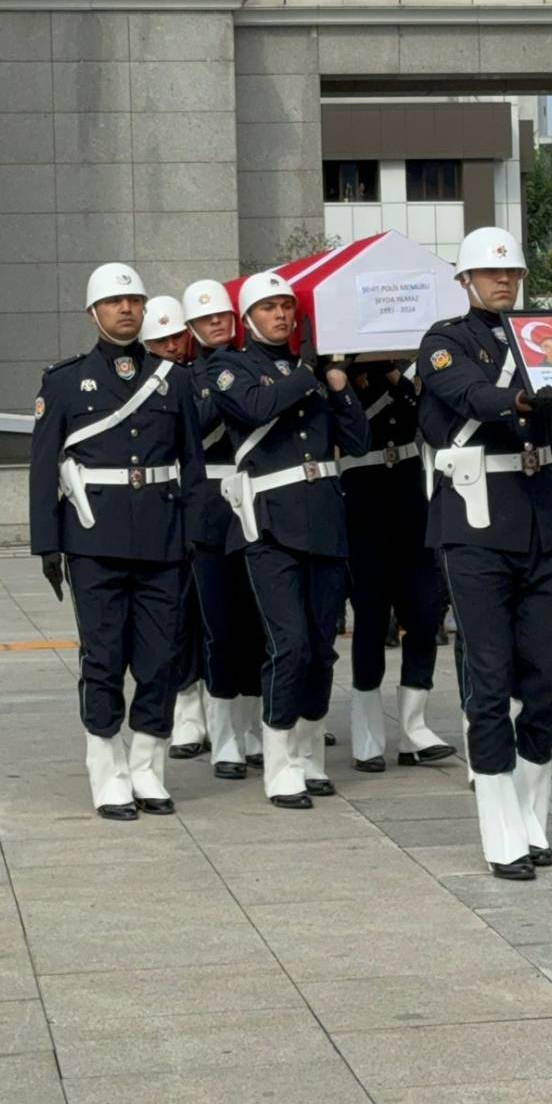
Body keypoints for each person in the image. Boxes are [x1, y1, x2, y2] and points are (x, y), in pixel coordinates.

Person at [417, 227, 552, 879]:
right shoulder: (443, 339)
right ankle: (501, 827)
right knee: (489, 680)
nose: (504, 282)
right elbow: (469, 395)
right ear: (466, 280)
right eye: (492, 274)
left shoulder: (545, 332)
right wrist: (523, 394)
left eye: (512, 273)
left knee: (548, 676)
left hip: (543, 513)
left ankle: (530, 810)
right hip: (477, 517)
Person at [29, 263, 207, 821]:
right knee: (103, 660)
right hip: (93, 541)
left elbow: (193, 468)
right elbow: (42, 468)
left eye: (133, 300)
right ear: (93, 313)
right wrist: (48, 544)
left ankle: (149, 770)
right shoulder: (63, 382)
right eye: (113, 303)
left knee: (159, 662)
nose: (125, 309)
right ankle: (107, 774)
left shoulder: (172, 379)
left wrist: (194, 536)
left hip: (162, 540)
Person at [210, 270, 370, 808]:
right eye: (269, 308)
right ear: (249, 318)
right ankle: (279, 763)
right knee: (290, 645)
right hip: (271, 524)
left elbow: (356, 439)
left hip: (325, 518)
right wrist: (310, 370)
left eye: (287, 307)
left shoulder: (316, 372)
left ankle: (309, 755)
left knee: (322, 650)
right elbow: (256, 408)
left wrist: (342, 387)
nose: (281, 315)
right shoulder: (230, 367)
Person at [341, 358, 454, 769]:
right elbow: (348, 432)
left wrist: (392, 372)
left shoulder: (402, 377)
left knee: (424, 616)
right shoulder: (336, 377)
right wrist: (345, 376)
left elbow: (423, 414)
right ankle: (367, 738)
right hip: (362, 503)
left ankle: (414, 730)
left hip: (408, 502)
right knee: (370, 622)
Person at [182, 277, 265, 778]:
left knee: (258, 623)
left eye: (224, 316)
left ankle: (253, 728)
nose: (218, 323)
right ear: (192, 327)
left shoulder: (253, 369)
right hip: (210, 505)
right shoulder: (183, 380)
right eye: (207, 318)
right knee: (219, 626)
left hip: (256, 495)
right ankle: (225, 737)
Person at [138, 297, 209, 762]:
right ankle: (188, 707)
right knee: (178, 617)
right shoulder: (142, 385)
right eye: (159, 341)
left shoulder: (207, 372)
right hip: (165, 511)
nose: (171, 347)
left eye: (176, 337)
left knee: (221, 615)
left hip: (214, 502)